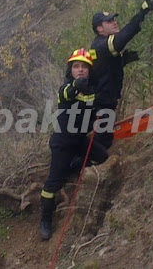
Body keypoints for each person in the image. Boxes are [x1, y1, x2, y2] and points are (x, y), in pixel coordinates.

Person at [39, 48, 108, 240]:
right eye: (76, 66)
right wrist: (77, 85)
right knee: (53, 184)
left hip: (79, 140)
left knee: (103, 157)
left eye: (84, 67)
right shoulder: (66, 89)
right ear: (70, 71)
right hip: (63, 142)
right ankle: (45, 219)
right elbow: (69, 92)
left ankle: (73, 167)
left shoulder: (91, 90)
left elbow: (91, 109)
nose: (80, 70)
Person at [89, 0, 153, 149]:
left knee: (104, 138)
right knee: (102, 143)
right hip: (101, 104)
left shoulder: (100, 45)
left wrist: (122, 61)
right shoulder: (102, 44)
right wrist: (142, 13)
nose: (114, 22)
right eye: (109, 21)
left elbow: (103, 69)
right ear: (100, 29)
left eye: (114, 19)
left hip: (104, 101)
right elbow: (124, 37)